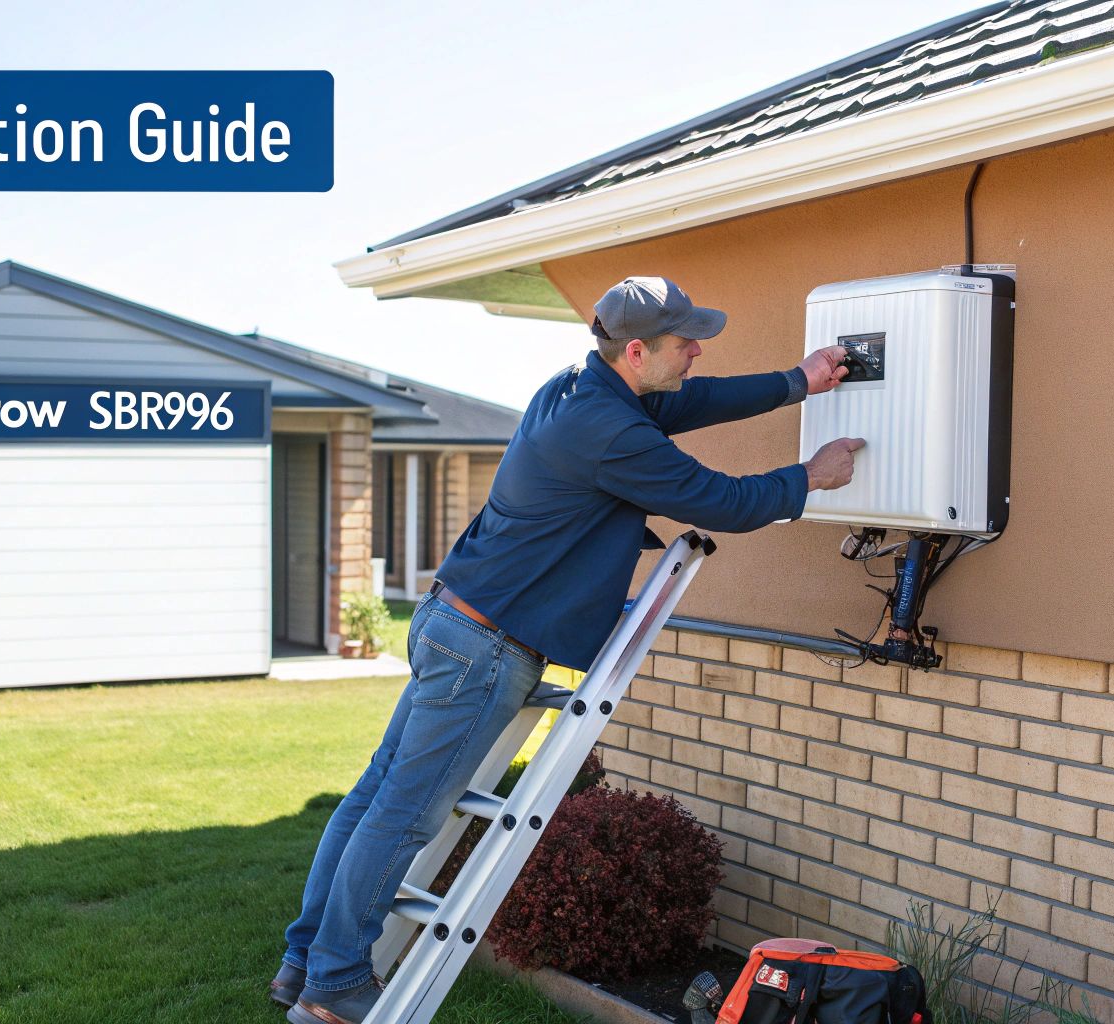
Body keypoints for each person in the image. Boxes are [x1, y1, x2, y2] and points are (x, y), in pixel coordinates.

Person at [274, 276, 865, 1024]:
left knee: (374, 799)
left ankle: (305, 962)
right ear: (638, 351)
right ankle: (334, 984)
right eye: (685, 342)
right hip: (486, 647)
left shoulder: (581, 388)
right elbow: (722, 500)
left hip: (454, 620)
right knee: (404, 818)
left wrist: (799, 381)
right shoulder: (608, 430)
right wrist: (810, 478)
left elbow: (696, 400)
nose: (697, 351)